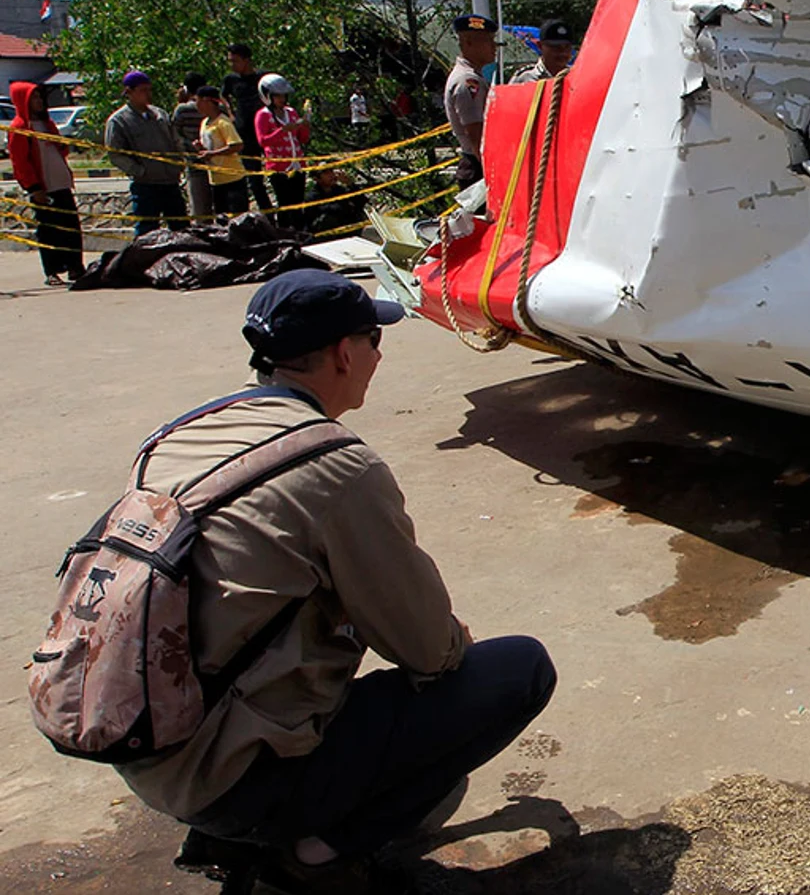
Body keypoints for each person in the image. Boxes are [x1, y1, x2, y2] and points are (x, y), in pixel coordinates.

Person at [113, 270, 557, 894]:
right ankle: (314, 856)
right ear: (345, 354)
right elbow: (427, 647)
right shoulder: (335, 466)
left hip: (151, 748)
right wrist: (451, 639)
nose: (379, 356)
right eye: (375, 339)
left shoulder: (175, 438)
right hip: (233, 776)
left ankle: (241, 828)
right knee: (518, 671)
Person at [6, 81, 85, 284]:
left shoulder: (48, 124)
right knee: (49, 230)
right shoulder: (20, 128)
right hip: (43, 188)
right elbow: (20, 162)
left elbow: (61, 150)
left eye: (39, 96)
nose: (39, 101)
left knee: (71, 227)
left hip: (61, 183)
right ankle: (52, 271)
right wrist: (33, 188)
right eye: (34, 97)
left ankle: (75, 267)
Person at [104, 71, 188, 235]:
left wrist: (179, 163)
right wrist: (140, 171)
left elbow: (175, 140)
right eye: (143, 90)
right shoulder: (119, 121)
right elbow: (115, 154)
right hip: (145, 185)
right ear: (129, 92)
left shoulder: (159, 115)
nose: (148, 94)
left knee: (181, 228)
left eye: (149, 89)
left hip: (170, 182)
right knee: (147, 231)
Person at [443, 14, 495, 189]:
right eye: (488, 41)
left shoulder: (474, 77)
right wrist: (492, 170)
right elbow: (476, 134)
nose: (494, 47)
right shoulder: (467, 81)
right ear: (468, 43)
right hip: (478, 167)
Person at [254, 73, 311, 232]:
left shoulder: (291, 112)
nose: (282, 99)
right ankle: (284, 233)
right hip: (278, 167)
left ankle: (300, 232)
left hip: (297, 165)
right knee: (284, 203)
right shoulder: (262, 115)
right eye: (277, 96)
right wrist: (283, 131)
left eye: (283, 95)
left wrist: (305, 126)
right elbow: (263, 141)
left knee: (298, 202)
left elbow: (302, 138)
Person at [222, 43, 274, 214]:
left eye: (235, 61)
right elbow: (223, 96)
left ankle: (285, 215)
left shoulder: (263, 77)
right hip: (245, 133)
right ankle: (267, 213)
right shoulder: (231, 80)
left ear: (246, 60)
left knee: (277, 172)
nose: (232, 65)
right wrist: (230, 113)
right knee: (254, 179)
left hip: (266, 131)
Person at [195, 86, 250, 218]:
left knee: (238, 218)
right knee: (222, 217)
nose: (196, 105)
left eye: (198, 101)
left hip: (232, 178)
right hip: (216, 180)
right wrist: (200, 148)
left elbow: (237, 145)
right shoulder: (204, 123)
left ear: (207, 101)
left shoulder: (223, 123)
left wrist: (213, 154)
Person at [173, 72, 212, 223]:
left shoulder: (182, 110)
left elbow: (175, 134)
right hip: (218, 163)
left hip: (194, 164)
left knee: (200, 211)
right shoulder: (216, 107)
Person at [305, 167, 367, 238]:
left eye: (331, 171)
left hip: (348, 233)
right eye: (326, 173)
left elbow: (361, 202)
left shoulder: (340, 190)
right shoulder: (312, 197)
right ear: (316, 178)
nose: (331, 175)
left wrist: (349, 183)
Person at [509, 18, 576, 84]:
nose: (562, 52)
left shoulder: (576, 77)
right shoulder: (525, 78)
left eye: (567, 47)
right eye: (555, 47)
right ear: (540, 46)